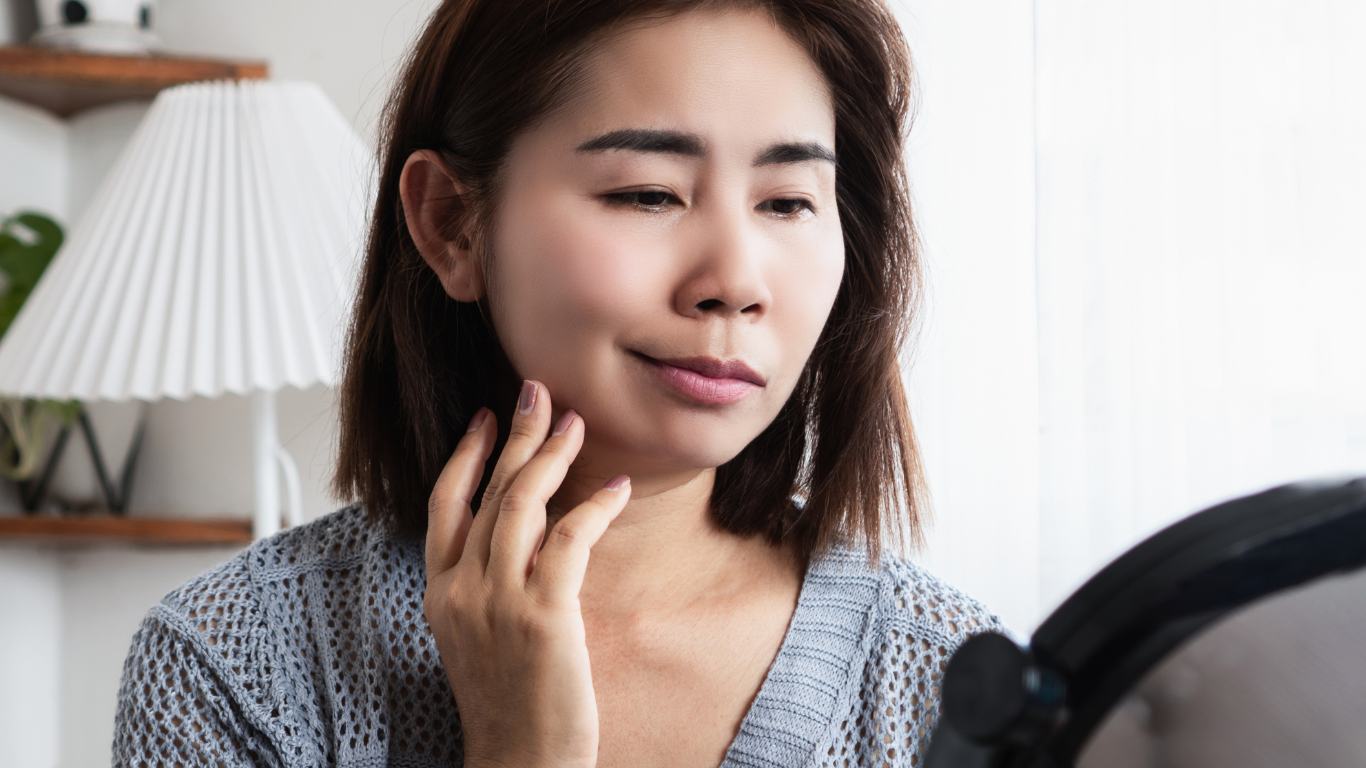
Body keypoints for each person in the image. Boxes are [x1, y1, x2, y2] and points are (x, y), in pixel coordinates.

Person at [113, 1, 1002, 766]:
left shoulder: (950, 683)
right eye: (650, 194)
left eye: (787, 203)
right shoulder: (232, 665)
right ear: (452, 223)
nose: (736, 280)